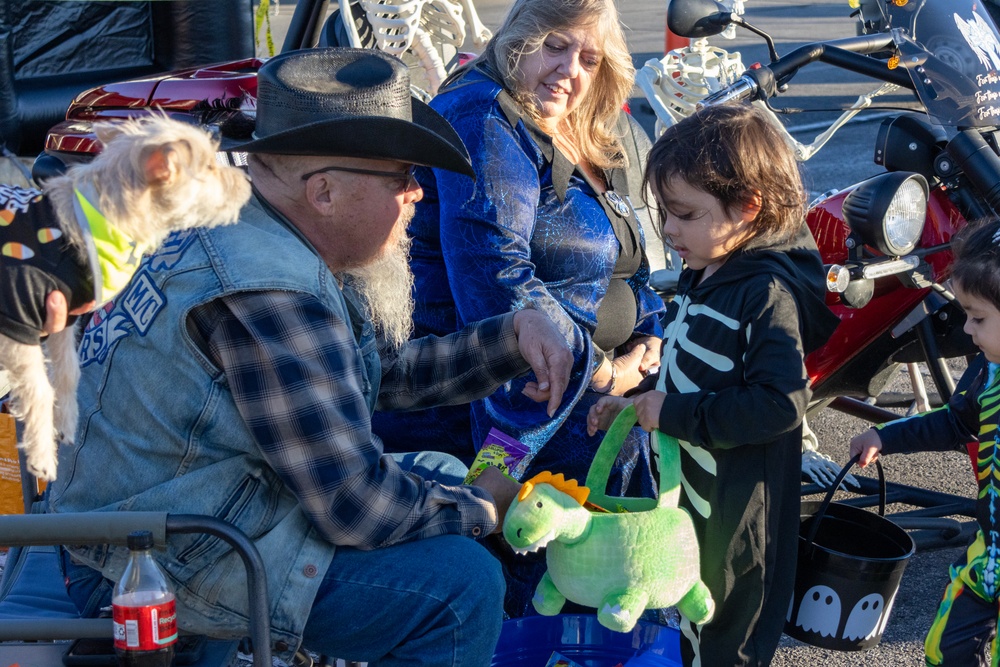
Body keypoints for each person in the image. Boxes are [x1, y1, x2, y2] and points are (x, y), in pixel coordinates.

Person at [47, 48, 574, 666]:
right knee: (458, 585)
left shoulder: (252, 227)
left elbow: (378, 373)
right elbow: (357, 507)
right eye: (401, 176)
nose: (416, 195)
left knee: (434, 506)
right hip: (152, 566)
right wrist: (483, 505)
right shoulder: (270, 291)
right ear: (323, 190)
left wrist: (510, 337)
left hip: (156, 530)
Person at [369, 0, 666, 617]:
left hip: (593, 390)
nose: (570, 71)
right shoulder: (485, 116)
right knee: (571, 612)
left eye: (589, 57)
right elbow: (499, 292)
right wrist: (604, 373)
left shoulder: (570, 123)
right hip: (513, 415)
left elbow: (628, 262)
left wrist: (651, 336)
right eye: (555, 45)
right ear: (518, 38)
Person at [586, 104, 839, 666]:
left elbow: (781, 404)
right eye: (665, 213)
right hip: (696, 513)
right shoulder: (709, 263)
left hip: (738, 528)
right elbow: (691, 362)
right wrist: (632, 403)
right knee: (693, 634)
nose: (669, 229)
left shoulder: (766, 295)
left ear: (747, 209)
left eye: (685, 214)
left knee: (726, 645)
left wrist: (671, 413)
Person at [849, 217, 1000, 666]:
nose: (967, 331)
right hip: (987, 556)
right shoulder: (987, 371)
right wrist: (884, 434)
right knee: (943, 648)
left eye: (977, 318)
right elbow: (954, 423)